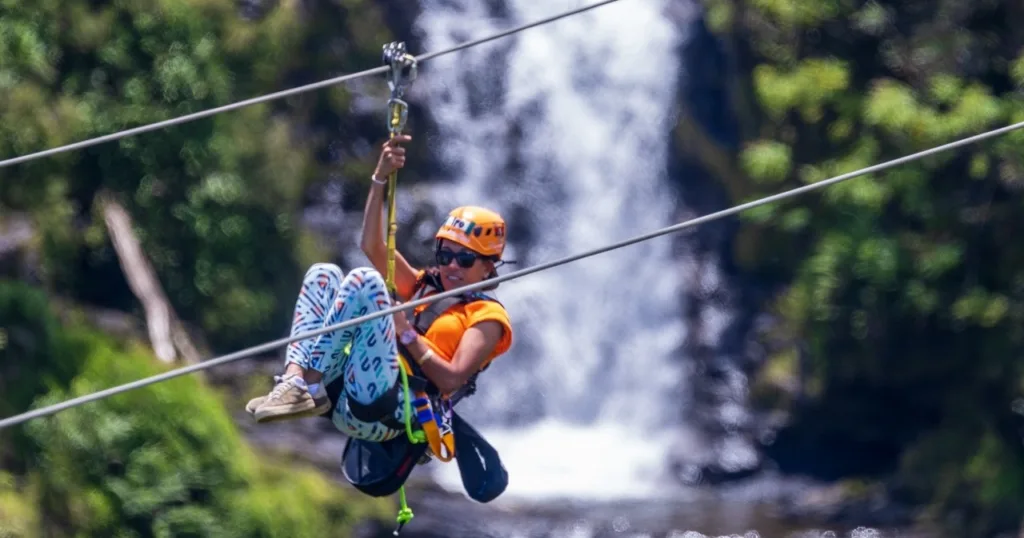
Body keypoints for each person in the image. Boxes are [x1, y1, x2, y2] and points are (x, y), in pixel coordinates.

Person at [244, 134, 514, 445]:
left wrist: (406, 334)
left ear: (489, 265)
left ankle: (310, 385)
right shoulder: (424, 285)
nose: (452, 265)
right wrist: (379, 179)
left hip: (392, 409)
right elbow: (372, 245)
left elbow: (452, 377)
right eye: (445, 255)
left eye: (465, 259)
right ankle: (295, 382)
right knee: (324, 274)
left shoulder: (488, 317)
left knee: (364, 281)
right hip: (349, 388)